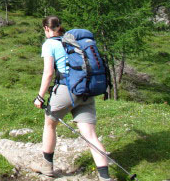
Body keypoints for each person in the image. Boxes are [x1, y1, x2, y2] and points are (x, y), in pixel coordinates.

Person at [31, 16, 113, 181]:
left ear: (46, 29)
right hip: (85, 90)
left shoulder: (49, 44)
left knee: (50, 123)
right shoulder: (72, 42)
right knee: (90, 136)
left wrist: (40, 96)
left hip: (66, 91)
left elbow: (48, 73)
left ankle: (47, 167)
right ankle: (105, 177)